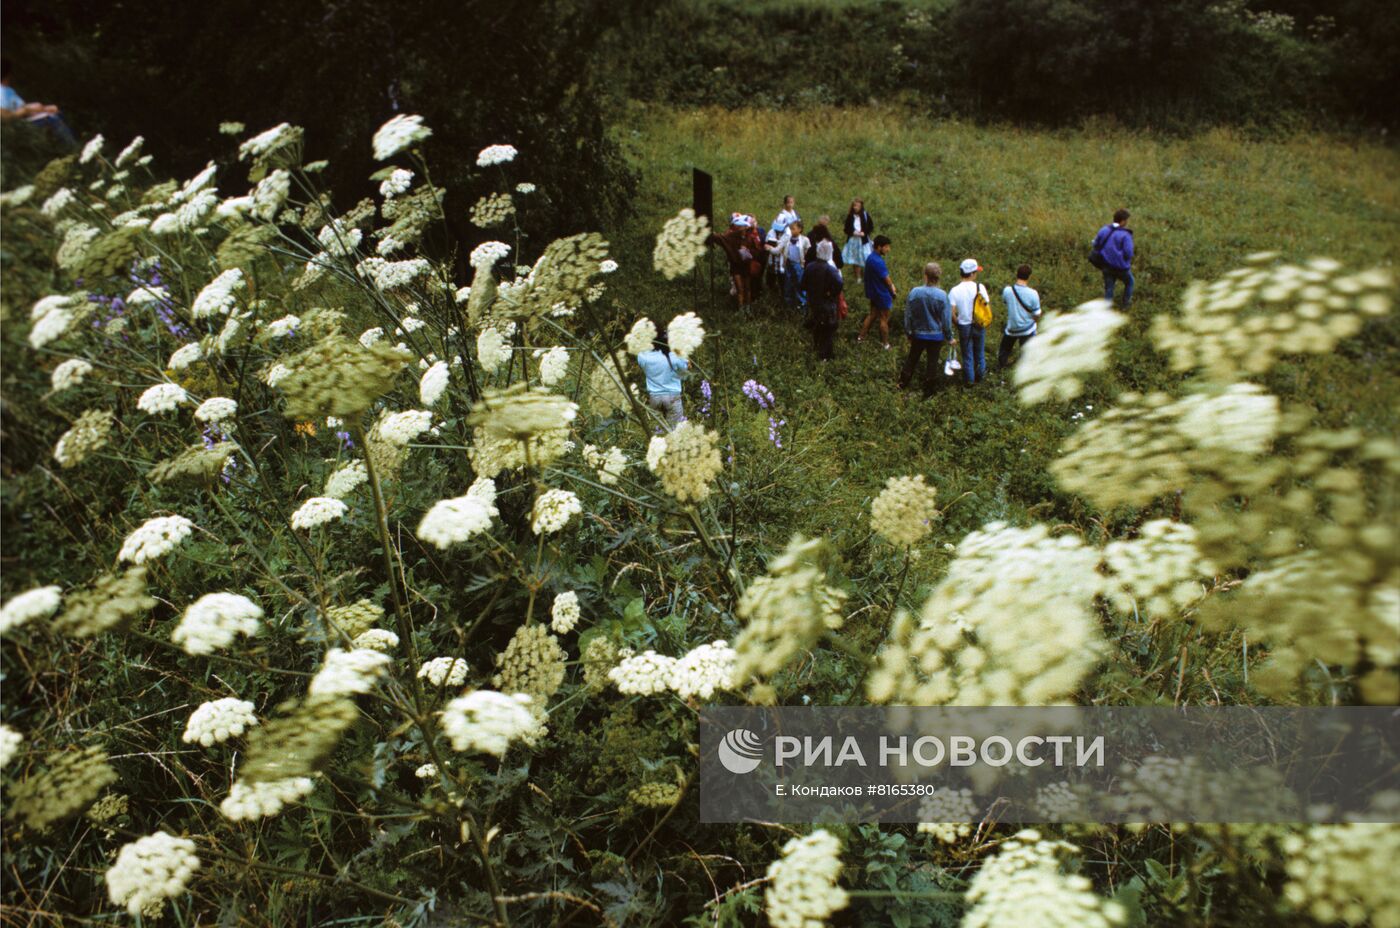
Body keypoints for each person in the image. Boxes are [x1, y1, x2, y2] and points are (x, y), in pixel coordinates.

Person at [898, 262, 955, 393]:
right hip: (936, 336)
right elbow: (946, 320)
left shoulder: (915, 292)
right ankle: (928, 391)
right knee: (932, 363)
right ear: (938, 277)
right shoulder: (942, 295)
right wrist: (949, 337)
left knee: (911, 359)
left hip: (918, 334)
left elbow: (908, 315)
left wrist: (909, 332)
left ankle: (902, 384)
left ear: (925, 276)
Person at [0, 59, 76, 147]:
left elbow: (19, 107)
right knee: (52, 118)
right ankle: (73, 148)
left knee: (57, 113)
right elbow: (5, 118)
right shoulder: (1, 92)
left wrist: (44, 108)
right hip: (17, 126)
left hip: (25, 119)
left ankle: (65, 147)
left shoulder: (8, 90)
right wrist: (26, 110)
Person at [947, 258, 990, 385]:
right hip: (978, 324)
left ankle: (970, 382)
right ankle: (981, 379)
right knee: (980, 353)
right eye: (975, 272)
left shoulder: (954, 290)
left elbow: (951, 312)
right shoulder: (980, 287)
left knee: (967, 355)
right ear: (971, 273)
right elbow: (986, 306)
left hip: (964, 325)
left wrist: (957, 324)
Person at [802, 240, 844, 362]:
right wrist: (831, 293)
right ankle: (826, 355)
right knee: (828, 328)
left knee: (817, 323)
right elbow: (839, 283)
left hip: (813, 302)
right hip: (827, 303)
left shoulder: (810, 266)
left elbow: (803, 285)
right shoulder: (830, 269)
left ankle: (816, 346)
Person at [637, 333, 689, 428]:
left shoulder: (644, 356)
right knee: (674, 430)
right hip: (673, 397)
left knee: (657, 431)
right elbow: (685, 371)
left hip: (654, 397)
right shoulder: (675, 356)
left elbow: (640, 361)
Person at [998, 264, 1042, 368]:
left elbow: (1005, 302)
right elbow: (1037, 314)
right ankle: (1024, 368)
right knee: (1027, 351)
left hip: (1012, 328)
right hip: (1027, 329)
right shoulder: (1033, 293)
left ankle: (1002, 365)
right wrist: (1033, 321)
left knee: (1004, 350)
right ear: (1029, 277)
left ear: (1016, 274)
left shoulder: (1007, 291)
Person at [857, 235, 896, 349]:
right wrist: (892, 291)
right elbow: (887, 280)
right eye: (886, 247)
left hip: (873, 293)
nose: (888, 250)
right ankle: (885, 344)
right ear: (879, 247)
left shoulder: (870, 258)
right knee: (884, 319)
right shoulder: (878, 262)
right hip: (882, 294)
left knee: (872, 315)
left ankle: (861, 338)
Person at [1091, 208, 1135, 308]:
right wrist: (1125, 260)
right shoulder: (1125, 235)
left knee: (1109, 287)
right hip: (1121, 267)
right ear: (1123, 221)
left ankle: (1107, 308)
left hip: (1106, 265)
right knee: (1130, 282)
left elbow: (1095, 243)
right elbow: (1129, 252)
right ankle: (1126, 304)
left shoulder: (1104, 229)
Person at [777, 220, 810, 313]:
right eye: (790, 228)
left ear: (800, 229)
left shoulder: (804, 240)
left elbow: (807, 252)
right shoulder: (787, 238)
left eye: (793, 229)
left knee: (800, 284)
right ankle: (789, 305)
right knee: (788, 284)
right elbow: (782, 250)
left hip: (799, 265)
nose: (791, 230)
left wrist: (804, 263)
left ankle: (802, 304)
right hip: (788, 264)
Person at [842, 198, 874, 282]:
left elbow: (870, 227)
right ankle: (858, 277)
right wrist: (853, 232)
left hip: (863, 241)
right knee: (856, 259)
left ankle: (868, 275)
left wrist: (865, 233)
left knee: (867, 257)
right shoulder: (850, 216)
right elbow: (846, 229)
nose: (856, 207)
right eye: (855, 206)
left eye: (858, 206)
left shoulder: (865, 215)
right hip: (854, 241)